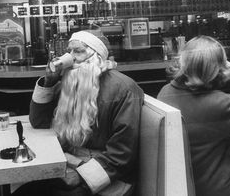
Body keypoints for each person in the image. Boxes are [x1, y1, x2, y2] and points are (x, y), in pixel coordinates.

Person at [12, 30, 144, 196]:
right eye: (70, 51)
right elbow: (39, 122)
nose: (71, 57)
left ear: (96, 56)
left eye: (78, 51)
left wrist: (82, 177)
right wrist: (49, 81)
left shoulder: (123, 89)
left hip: (108, 176)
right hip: (72, 163)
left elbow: (122, 154)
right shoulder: (69, 84)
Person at [157, 35, 230, 196]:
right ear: (217, 67)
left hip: (181, 187)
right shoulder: (222, 105)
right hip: (218, 189)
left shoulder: (166, 92)